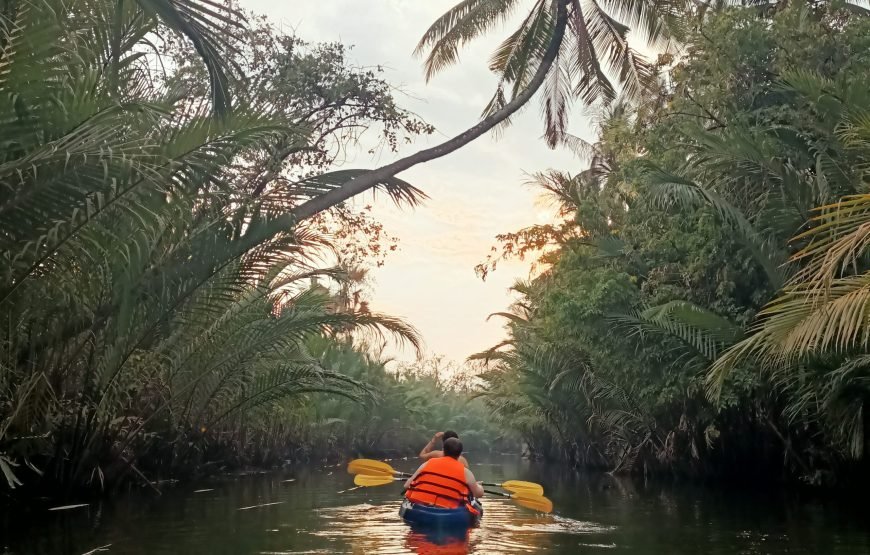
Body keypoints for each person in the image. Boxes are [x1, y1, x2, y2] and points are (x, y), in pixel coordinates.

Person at [404, 438, 485, 513]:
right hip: (447, 512)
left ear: (443, 451)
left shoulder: (427, 463)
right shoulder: (466, 472)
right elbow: (478, 494)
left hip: (419, 508)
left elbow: (407, 485)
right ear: (460, 454)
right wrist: (478, 486)